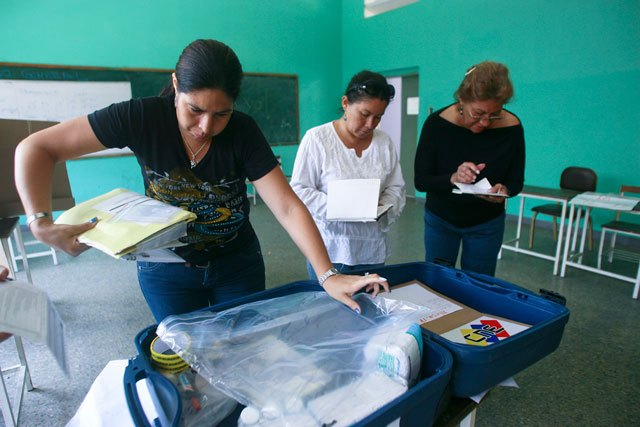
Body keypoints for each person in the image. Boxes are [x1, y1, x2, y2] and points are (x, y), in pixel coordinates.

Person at [14, 39, 388, 322]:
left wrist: (326, 275)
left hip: (236, 263)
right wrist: (39, 221)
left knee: (242, 347)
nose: (206, 127)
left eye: (221, 114)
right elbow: (36, 148)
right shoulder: (141, 116)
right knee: (184, 357)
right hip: (166, 268)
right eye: (195, 110)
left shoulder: (242, 132)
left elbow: (288, 207)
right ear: (176, 85)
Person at [290, 70, 406, 279]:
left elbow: (395, 187)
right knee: (328, 309)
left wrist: (383, 208)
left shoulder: (384, 142)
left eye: (378, 117)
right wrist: (344, 208)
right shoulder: (317, 139)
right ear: (345, 103)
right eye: (364, 114)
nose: (370, 124)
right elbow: (300, 189)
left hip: (371, 249)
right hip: (330, 250)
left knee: (369, 306)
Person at [414, 61, 525, 276]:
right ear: (462, 100)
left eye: (494, 114)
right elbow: (422, 181)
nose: (485, 122)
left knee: (479, 285)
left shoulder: (512, 128)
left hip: (487, 223)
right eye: (478, 113)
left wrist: (504, 191)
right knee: (438, 282)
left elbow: (516, 180)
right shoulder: (436, 124)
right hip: (441, 219)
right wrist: (453, 177)